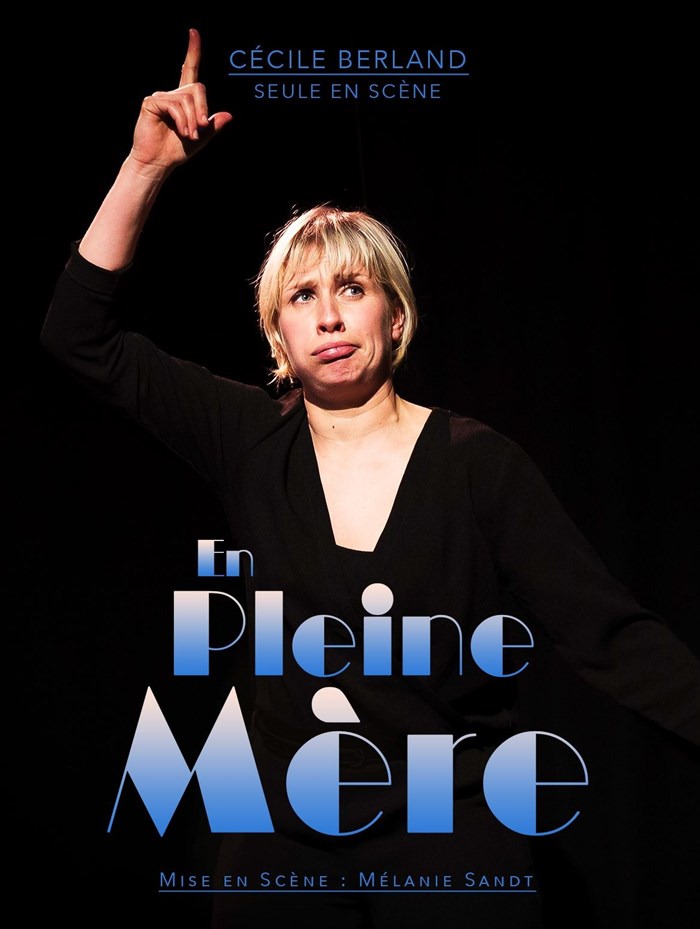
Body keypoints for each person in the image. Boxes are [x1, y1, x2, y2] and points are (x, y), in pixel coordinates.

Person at [41, 28, 700, 929]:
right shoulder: (249, 438)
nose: (329, 316)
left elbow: (613, 638)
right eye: (302, 297)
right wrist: (145, 168)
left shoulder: (478, 466)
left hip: (446, 816)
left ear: (395, 318)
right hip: (282, 830)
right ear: (279, 337)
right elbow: (77, 335)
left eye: (352, 288)